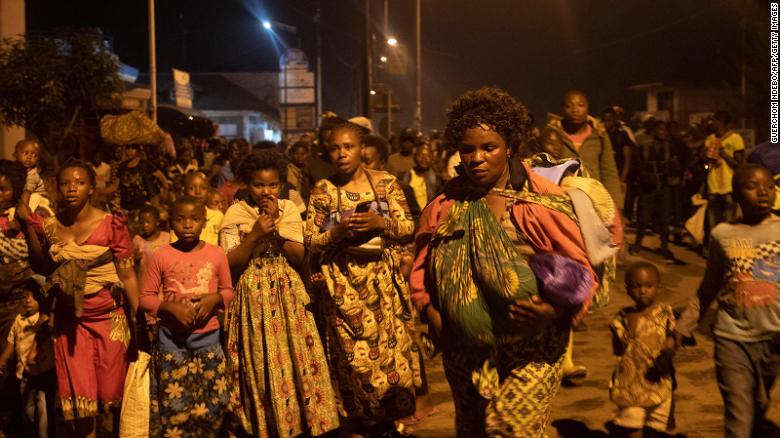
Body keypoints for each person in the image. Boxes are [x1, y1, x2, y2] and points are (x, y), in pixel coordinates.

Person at [411, 87, 596, 436]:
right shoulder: (445, 205)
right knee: (473, 429)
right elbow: (421, 268)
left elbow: (582, 272)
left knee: (511, 429)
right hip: (464, 348)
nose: (476, 158)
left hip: (533, 347)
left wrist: (555, 312)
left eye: (488, 147)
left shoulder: (540, 203)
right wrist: (430, 312)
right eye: (467, 149)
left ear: (509, 146)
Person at [305, 119, 421, 437]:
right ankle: (363, 420)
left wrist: (378, 223)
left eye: (348, 147)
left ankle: (387, 420)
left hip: (381, 282)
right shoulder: (324, 190)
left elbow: (408, 226)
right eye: (334, 148)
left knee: (387, 354)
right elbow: (310, 238)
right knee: (352, 359)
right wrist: (337, 232)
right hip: (341, 287)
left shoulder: (384, 183)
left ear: (362, 149)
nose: (342, 153)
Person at [220, 150, 339, 437]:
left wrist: (275, 229)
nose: (266, 191)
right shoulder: (235, 213)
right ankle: (268, 424)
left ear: (281, 184)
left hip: (286, 293)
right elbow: (229, 261)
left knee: (295, 357)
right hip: (252, 295)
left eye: (272, 185)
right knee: (261, 362)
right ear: (247, 184)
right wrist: (255, 234)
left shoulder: (288, 209)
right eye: (259, 185)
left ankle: (299, 422)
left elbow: (298, 255)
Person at [17, 159, 140, 435]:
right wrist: (26, 208)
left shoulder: (111, 225)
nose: (73, 189)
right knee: (79, 401)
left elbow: (128, 275)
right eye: (66, 183)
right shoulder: (48, 227)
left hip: (110, 318)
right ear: (58, 189)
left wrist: (141, 316)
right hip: (69, 323)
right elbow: (40, 261)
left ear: (91, 188)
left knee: (112, 395)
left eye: (80, 183)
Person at [676, 164, 780, 437]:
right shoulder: (722, 234)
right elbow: (710, 284)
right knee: (739, 415)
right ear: (734, 194)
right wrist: (683, 326)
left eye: (769, 186)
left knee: (760, 403)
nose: (763, 193)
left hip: (773, 338)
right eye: (752, 186)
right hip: (731, 337)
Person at [140, 196, 233, 437]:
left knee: (214, 403)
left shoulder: (217, 254)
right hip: (172, 343)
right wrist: (169, 308)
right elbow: (146, 298)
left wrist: (214, 299)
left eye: (194, 219)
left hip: (208, 340)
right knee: (175, 406)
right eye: (180, 220)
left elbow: (228, 292)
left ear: (204, 221)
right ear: (170, 223)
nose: (188, 225)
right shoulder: (161, 255)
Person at [610, 262, 676, 437]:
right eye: (636, 286)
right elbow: (618, 350)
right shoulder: (622, 318)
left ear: (658, 287)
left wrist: (668, 352)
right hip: (630, 385)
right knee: (632, 427)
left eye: (649, 286)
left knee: (656, 426)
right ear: (627, 289)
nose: (643, 291)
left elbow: (674, 337)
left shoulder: (665, 313)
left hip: (658, 382)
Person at [547, 90, 623, 208]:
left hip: (595, 203)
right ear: (562, 110)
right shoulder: (552, 136)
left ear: (587, 109)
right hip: (561, 204)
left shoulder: (600, 136)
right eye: (569, 106)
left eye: (580, 105)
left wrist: (617, 207)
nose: (575, 110)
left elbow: (609, 173)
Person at [0, 281, 55, 438]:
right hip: (24, 375)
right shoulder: (19, 320)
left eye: (33, 297)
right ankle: (35, 427)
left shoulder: (44, 320)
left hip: (43, 374)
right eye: (25, 297)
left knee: (43, 410)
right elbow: (11, 344)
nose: (28, 300)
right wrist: (2, 361)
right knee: (28, 408)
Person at [630, 121, 676, 260]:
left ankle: (664, 246)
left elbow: (677, 164)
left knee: (664, 218)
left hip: (663, 186)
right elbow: (636, 165)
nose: (663, 133)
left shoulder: (670, 147)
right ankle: (638, 243)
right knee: (643, 217)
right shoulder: (644, 147)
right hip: (647, 187)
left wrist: (673, 169)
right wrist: (645, 176)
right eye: (660, 130)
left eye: (665, 130)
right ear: (654, 131)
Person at [704, 111, 745, 238]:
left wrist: (723, 154)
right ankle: (717, 254)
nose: (712, 123)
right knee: (714, 228)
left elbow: (739, 165)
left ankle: (730, 254)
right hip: (713, 188)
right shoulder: (710, 139)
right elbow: (706, 165)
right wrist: (709, 163)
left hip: (729, 188)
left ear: (722, 122)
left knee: (730, 226)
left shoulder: (735, 138)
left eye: (714, 120)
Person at [170, 171, 223, 245]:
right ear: (184, 191)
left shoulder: (218, 216)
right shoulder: (179, 216)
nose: (198, 192)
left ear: (209, 192)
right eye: (192, 188)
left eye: (203, 188)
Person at [115, 144, 168, 213]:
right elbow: (115, 185)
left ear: (138, 150)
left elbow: (162, 178)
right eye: (127, 149)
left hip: (142, 206)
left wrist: (165, 193)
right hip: (125, 206)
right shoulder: (122, 166)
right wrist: (102, 191)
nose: (129, 151)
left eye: (132, 149)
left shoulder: (145, 165)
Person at [400, 143, 443, 212]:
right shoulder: (407, 176)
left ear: (432, 158)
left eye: (428, 156)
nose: (424, 159)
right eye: (421, 155)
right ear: (415, 157)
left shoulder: (437, 179)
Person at [132, 205, 170, 272]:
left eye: (148, 222)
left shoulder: (166, 238)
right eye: (141, 223)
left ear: (157, 222)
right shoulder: (137, 240)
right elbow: (132, 263)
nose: (145, 225)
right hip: (144, 279)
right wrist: (135, 260)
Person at [14, 139, 46, 207]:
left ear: (38, 159)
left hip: (40, 202)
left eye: (34, 155)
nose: (29, 157)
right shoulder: (16, 171)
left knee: (34, 197)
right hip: (27, 199)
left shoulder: (32, 174)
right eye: (25, 153)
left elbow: (27, 192)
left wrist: (23, 206)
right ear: (15, 155)